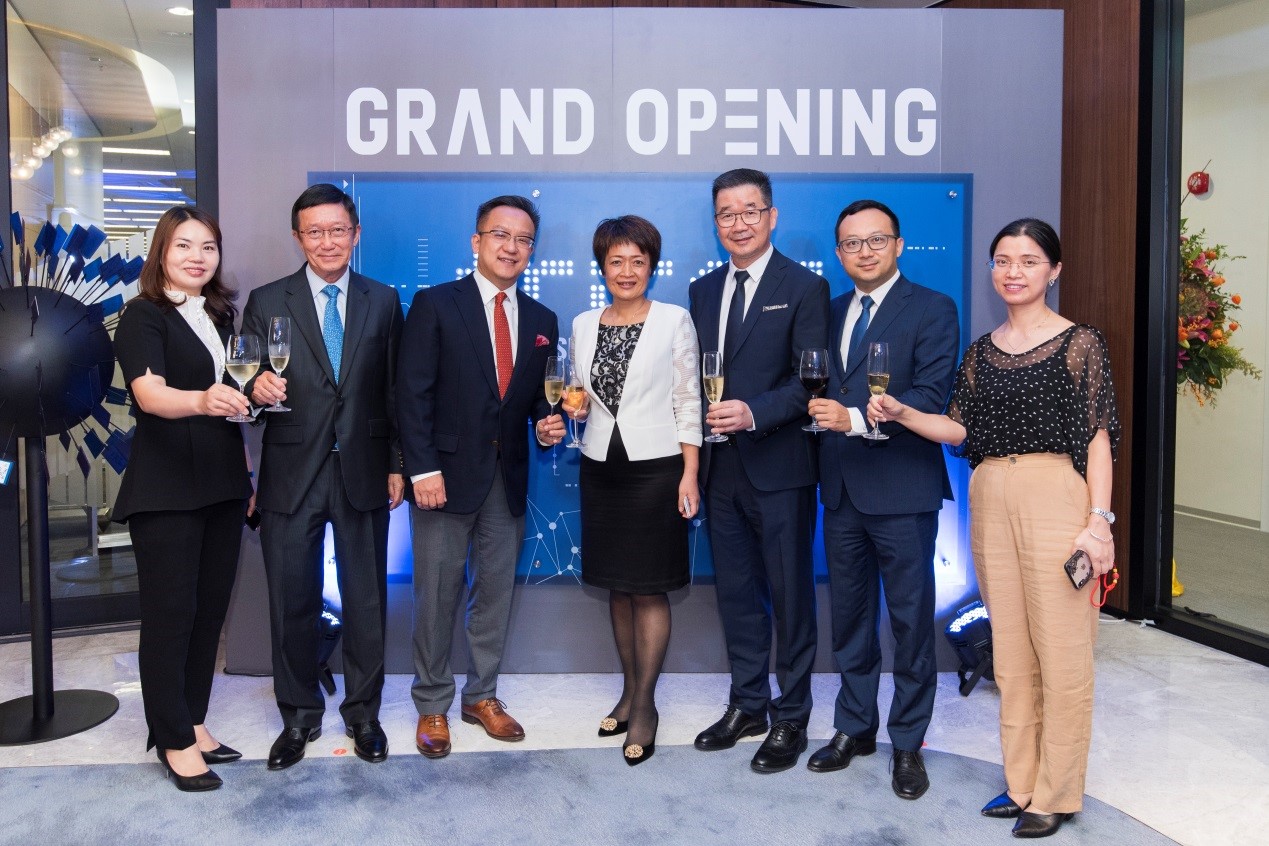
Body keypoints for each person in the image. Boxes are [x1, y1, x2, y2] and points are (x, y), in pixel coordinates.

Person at [868, 218, 1119, 837]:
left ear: (1053, 271)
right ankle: (1022, 782)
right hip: (989, 496)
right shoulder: (982, 351)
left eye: (1028, 261)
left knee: (1062, 652)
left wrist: (1099, 522)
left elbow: (1098, 439)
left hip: (1056, 495)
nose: (1013, 272)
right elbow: (959, 428)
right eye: (1002, 260)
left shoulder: (1080, 342)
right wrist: (902, 412)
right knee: (1010, 652)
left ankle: (1057, 793)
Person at [396, 195, 566, 759]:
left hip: (507, 477)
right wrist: (422, 469)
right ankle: (432, 704)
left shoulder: (542, 319)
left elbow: (535, 401)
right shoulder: (436, 304)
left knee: (493, 594)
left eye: (523, 240)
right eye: (500, 235)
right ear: (477, 241)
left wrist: (547, 423)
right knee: (437, 596)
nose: (511, 247)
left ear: (531, 250)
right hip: (441, 477)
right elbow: (411, 395)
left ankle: (481, 696)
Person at [244, 183, 405, 769]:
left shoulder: (383, 299)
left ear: (355, 234)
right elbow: (246, 378)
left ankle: (363, 714)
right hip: (291, 471)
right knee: (291, 599)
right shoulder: (267, 300)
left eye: (338, 230)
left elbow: (394, 391)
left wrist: (397, 465)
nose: (328, 241)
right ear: (298, 238)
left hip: (364, 468)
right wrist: (255, 387)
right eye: (315, 231)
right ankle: (298, 716)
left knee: (367, 601)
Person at [805, 199, 960, 800]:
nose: (864, 252)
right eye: (851, 243)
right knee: (849, 618)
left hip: (902, 488)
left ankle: (908, 742)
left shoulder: (932, 308)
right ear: (838, 252)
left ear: (898, 245)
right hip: (841, 489)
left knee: (910, 622)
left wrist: (856, 418)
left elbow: (930, 392)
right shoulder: (829, 309)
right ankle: (854, 727)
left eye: (876, 240)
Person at [688, 169, 830, 773]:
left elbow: (811, 380)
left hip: (779, 465)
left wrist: (754, 412)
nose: (739, 223)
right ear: (715, 222)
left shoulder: (805, 287)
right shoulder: (701, 290)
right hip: (720, 467)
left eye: (750, 211)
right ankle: (748, 703)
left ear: (772, 217)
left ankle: (791, 714)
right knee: (737, 595)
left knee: (790, 596)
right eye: (727, 213)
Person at [113, 206, 253, 792]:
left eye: (208, 247)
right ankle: (171, 737)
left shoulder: (219, 316)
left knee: (207, 614)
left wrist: (246, 470)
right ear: (162, 253)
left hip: (222, 484)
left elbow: (235, 402)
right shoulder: (142, 314)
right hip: (166, 487)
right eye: (184, 246)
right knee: (170, 617)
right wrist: (203, 399)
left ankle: (194, 721)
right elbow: (150, 395)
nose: (198, 257)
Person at [565, 216, 702, 766]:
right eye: (616, 261)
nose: (626, 271)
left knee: (648, 589)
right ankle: (627, 692)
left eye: (637, 261)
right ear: (602, 268)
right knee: (618, 589)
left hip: (659, 469)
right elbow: (579, 394)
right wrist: (572, 410)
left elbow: (688, 399)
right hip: (601, 467)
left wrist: (690, 473)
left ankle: (645, 705)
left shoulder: (673, 320)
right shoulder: (583, 323)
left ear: (652, 266)